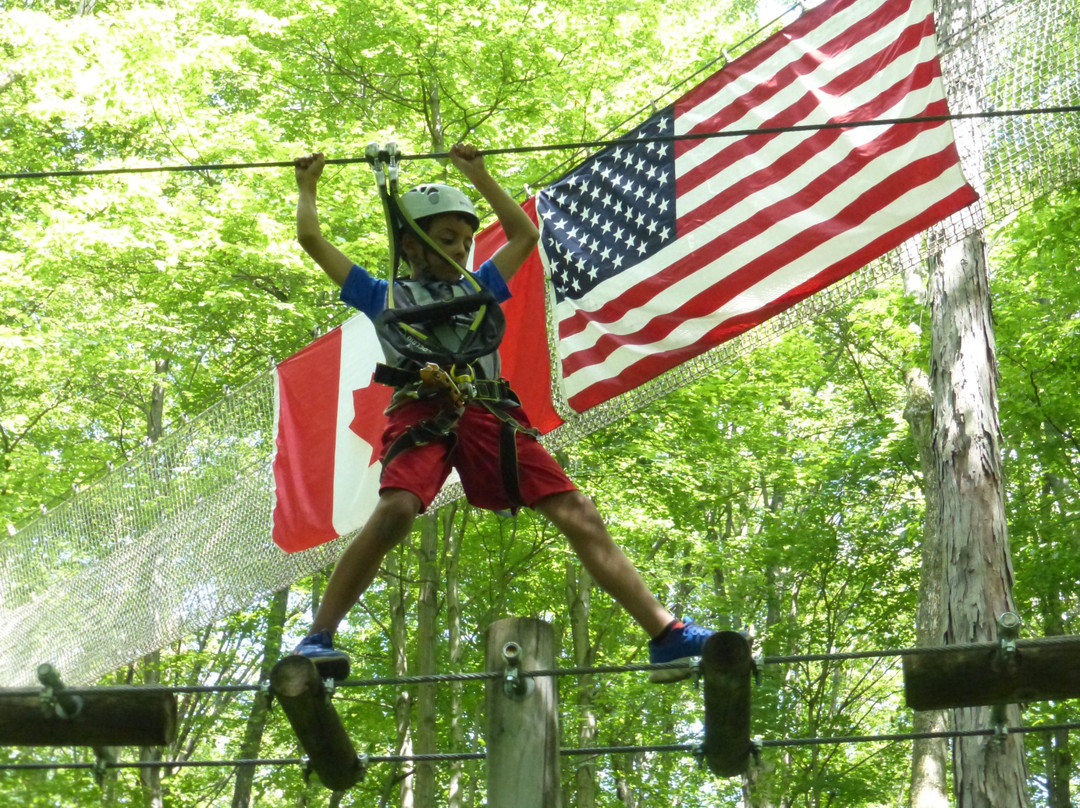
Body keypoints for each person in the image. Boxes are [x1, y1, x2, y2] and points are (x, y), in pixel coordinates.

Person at [290, 143, 713, 683]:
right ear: (411, 244)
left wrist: (480, 176)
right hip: (422, 410)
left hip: (490, 412)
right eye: (447, 239)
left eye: (466, 241)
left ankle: (666, 635)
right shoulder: (382, 296)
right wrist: (308, 187)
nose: (461, 250)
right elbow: (312, 240)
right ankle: (318, 637)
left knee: (576, 510)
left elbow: (524, 236)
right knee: (396, 509)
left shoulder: (482, 287)